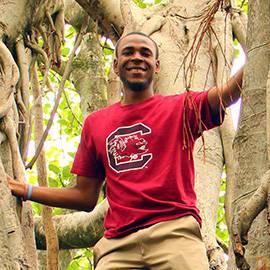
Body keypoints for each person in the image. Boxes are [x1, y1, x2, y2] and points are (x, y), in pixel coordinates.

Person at [7, 32, 243, 270]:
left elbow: (228, 93)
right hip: (117, 244)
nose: (137, 58)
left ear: (157, 66)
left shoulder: (180, 108)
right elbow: (84, 196)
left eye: (146, 53)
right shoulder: (96, 123)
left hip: (174, 233)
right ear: (116, 65)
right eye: (128, 52)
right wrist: (25, 190)